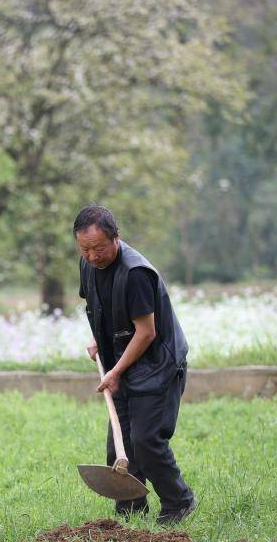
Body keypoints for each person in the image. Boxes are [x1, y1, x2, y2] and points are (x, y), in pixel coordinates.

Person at [73, 204, 197, 524]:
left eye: (99, 248)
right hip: (123, 361)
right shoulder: (88, 266)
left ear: (117, 238)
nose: (92, 256)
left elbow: (146, 332)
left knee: (146, 442)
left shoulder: (135, 273)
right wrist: (100, 340)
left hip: (157, 364)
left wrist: (115, 371)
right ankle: (131, 509)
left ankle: (178, 502)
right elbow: (101, 307)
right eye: (85, 249)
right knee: (119, 449)